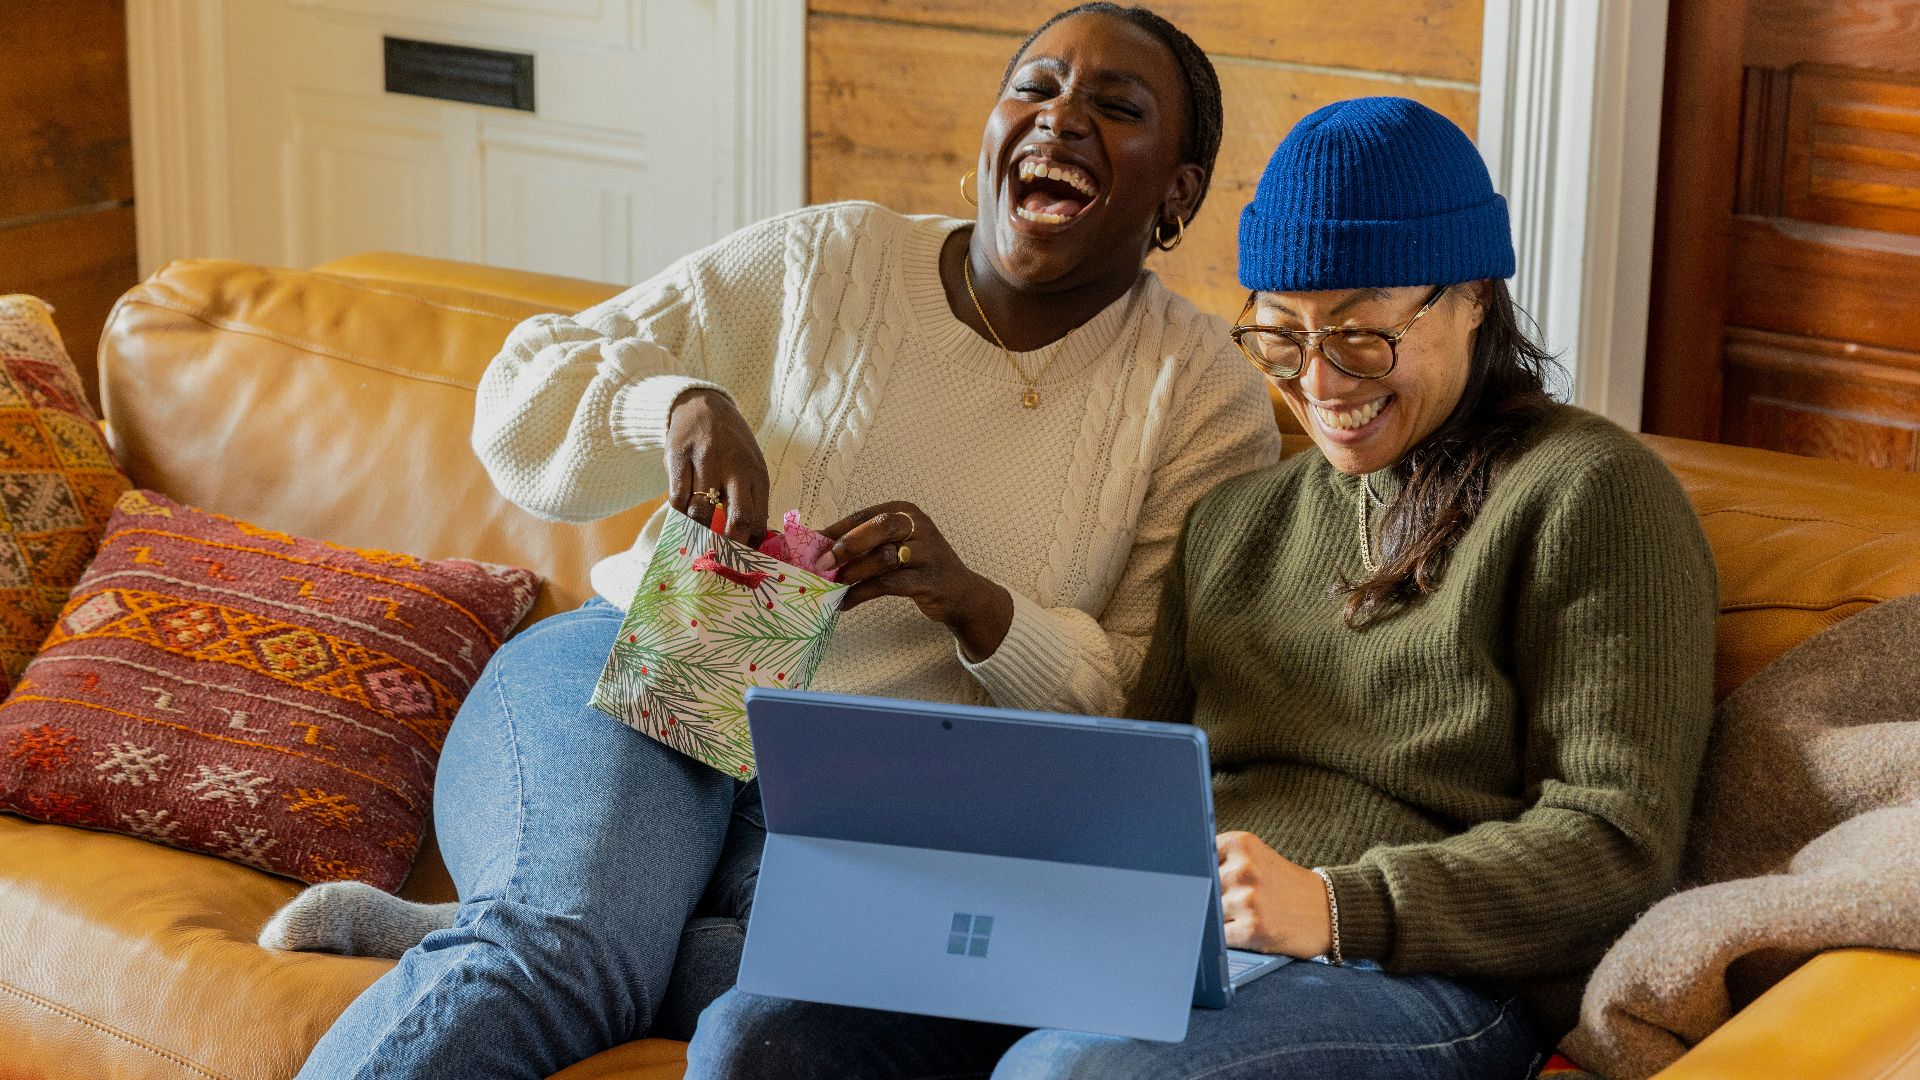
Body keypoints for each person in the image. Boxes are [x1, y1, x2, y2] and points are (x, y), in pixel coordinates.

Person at [272, 5, 1283, 1078]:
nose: (1062, 118)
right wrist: (674, 407)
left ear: (1176, 192)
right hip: (651, 666)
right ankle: (551, 926)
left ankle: (530, 922)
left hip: (877, 792)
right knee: (560, 952)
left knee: (849, 991)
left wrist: (980, 606)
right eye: (1034, 89)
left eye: (1116, 108)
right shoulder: (830, 259)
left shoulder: (1203, 397)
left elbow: (1144, 703)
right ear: (991, 132)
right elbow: (523, 391)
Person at [688, 96, 1719, 1079]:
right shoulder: (1236, 524)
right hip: (1170, 939)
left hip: (1420, 972)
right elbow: (1128, 787)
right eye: (1282, 335)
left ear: (1473, 298)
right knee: (759, 1034)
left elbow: (1616, 841)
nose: (1319, 383)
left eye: (1363, 335)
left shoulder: (1590, 493)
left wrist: (1335, 905)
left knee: (1077, 1072)